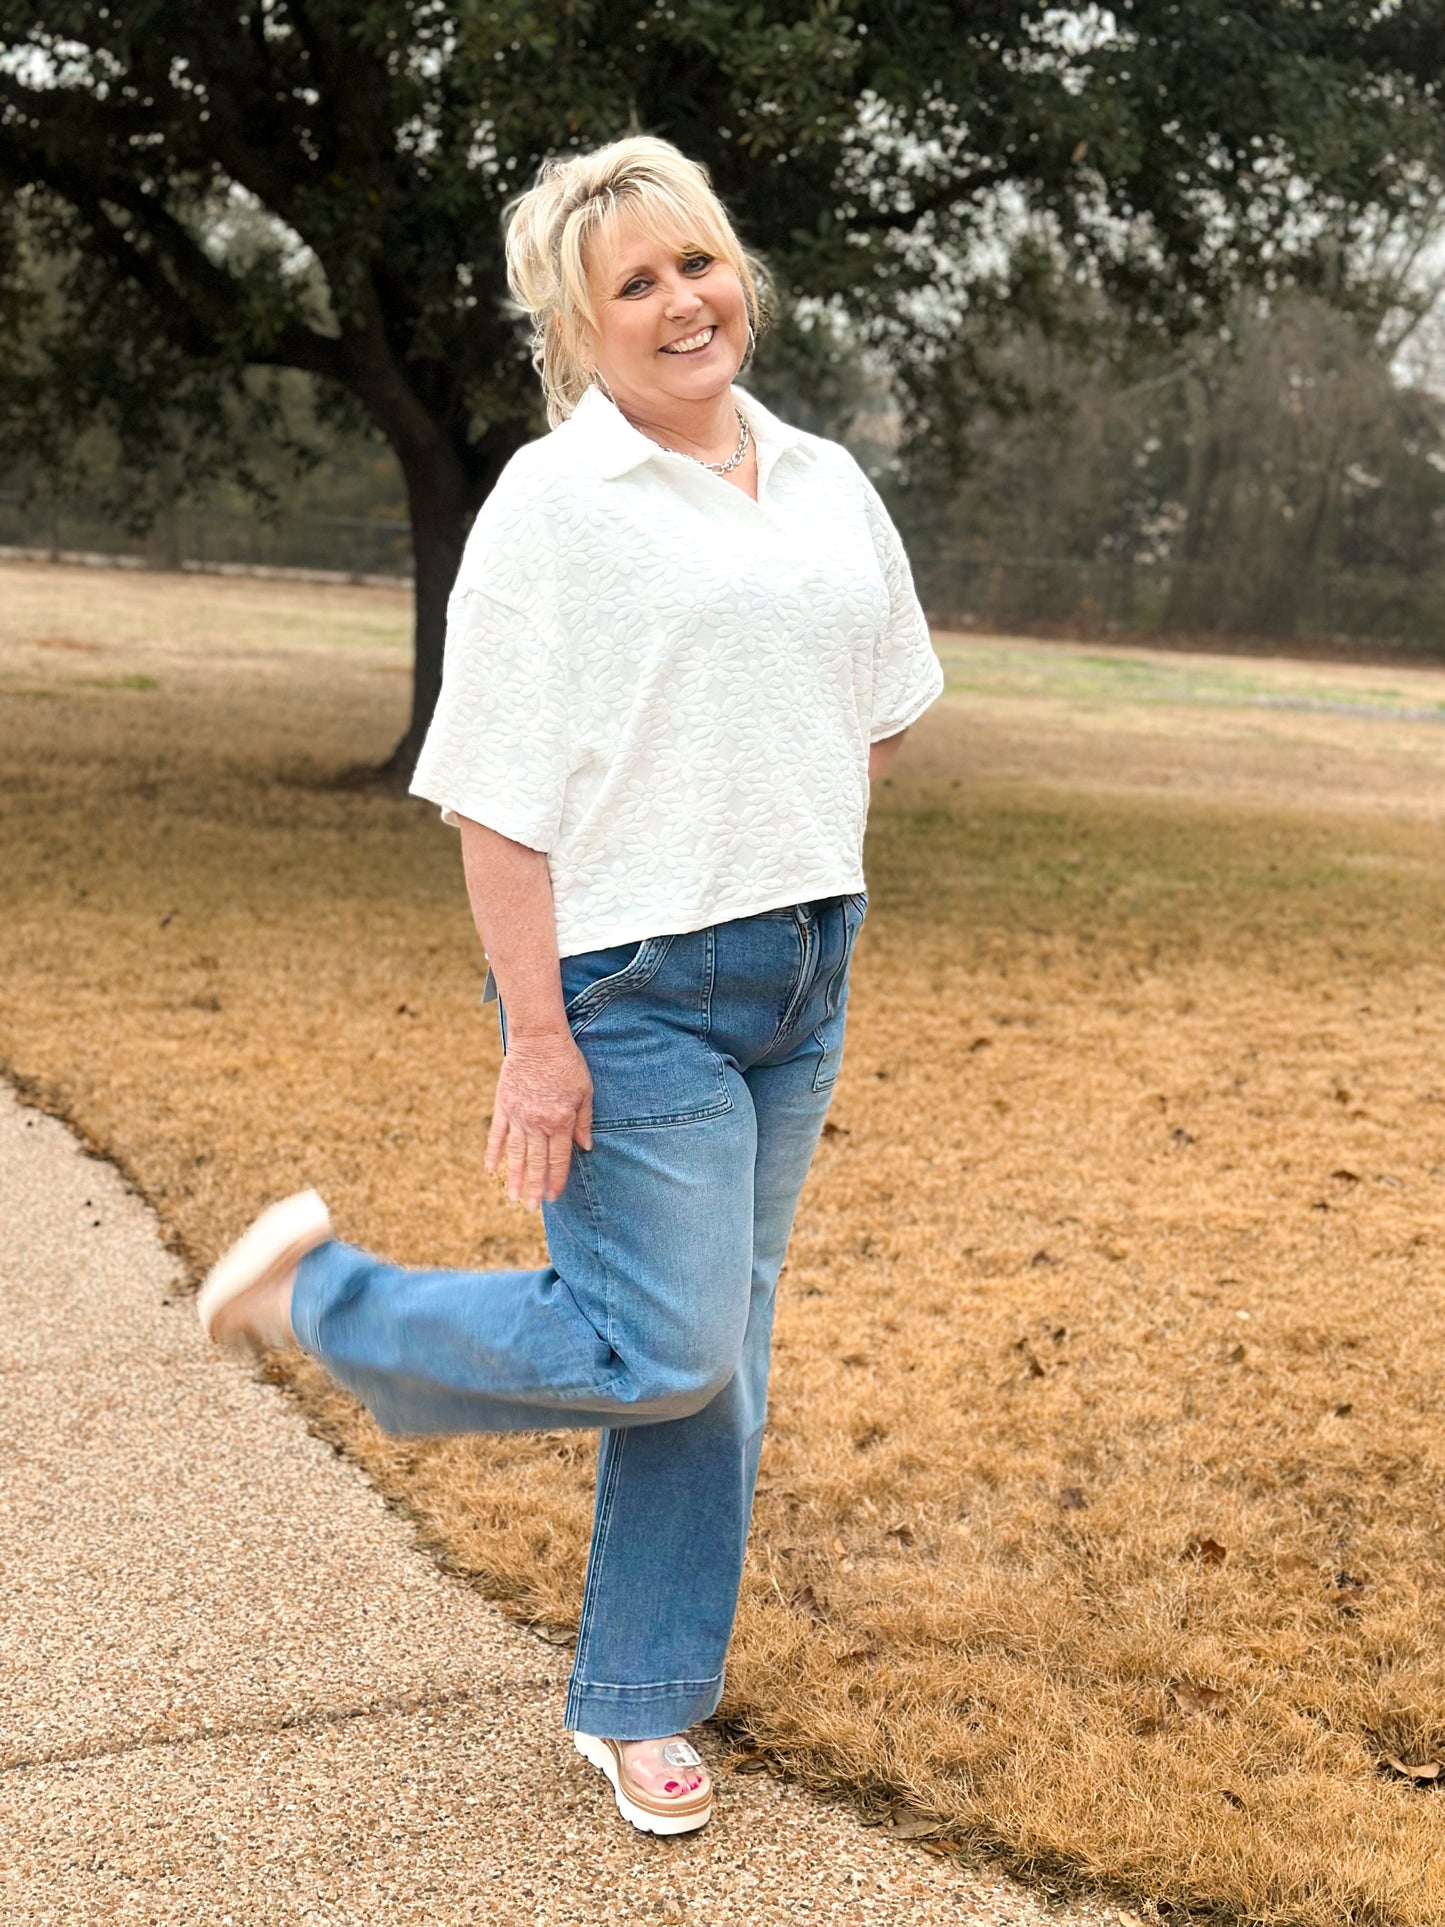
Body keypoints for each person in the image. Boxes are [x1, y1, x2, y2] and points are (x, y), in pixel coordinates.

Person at [196, 133, 944, 1837]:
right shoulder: (556, 505)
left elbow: (879, 706)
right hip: (634, 988)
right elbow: (491, 791)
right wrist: (539, 1037)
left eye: (699, 263)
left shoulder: (824, 473)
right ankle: (326, 1302)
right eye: (636, 284)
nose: (683, 302)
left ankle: (639, 1699)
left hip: (801, 970)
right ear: (578, 325)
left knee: (718, 1359)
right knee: (666, 1344)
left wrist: (781, 854)